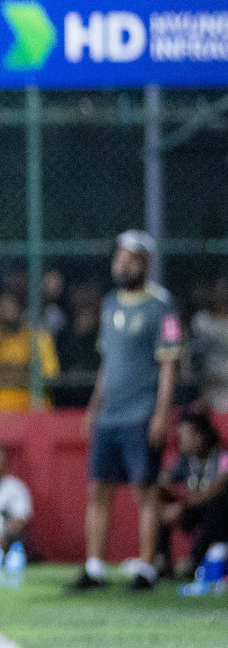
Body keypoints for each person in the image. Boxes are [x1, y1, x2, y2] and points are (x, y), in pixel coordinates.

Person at [73, 231, 181, 592]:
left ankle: (145, 568)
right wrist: (94, 406)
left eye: (130, 259)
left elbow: (168, 364)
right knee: (98, 489)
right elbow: (108, 364)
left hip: (141, 412)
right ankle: (94, 567)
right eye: (119, 257)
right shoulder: (110, 304)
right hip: (109, 415)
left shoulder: (162, 306)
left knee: (144, 490)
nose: (122, 264)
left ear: (145, 264)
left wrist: (161, 413)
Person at [160, 412, 228, 580]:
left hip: (220, 518)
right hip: (194, 510)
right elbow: (165, 477)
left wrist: (182, 504)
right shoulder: (186, 461)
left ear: (200, 436)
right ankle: (161, 561)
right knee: (159, 506)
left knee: (216, 506)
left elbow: (217, 489)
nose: (181, 441)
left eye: (185, 436)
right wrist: (166, 491)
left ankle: (194, 561)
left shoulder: (222, 457)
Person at [0, 291, 59, 412]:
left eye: (13, 305)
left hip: (33, 406)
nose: (9, 310)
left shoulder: (37, 337)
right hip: (2, 407)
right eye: (4, 308)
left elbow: (50, 375)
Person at [190, 277, 228, 413]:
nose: (221, 294)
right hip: (208, 399)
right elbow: (194, 364)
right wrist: (201, 394)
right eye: (218, 289)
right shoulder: (200, 321)